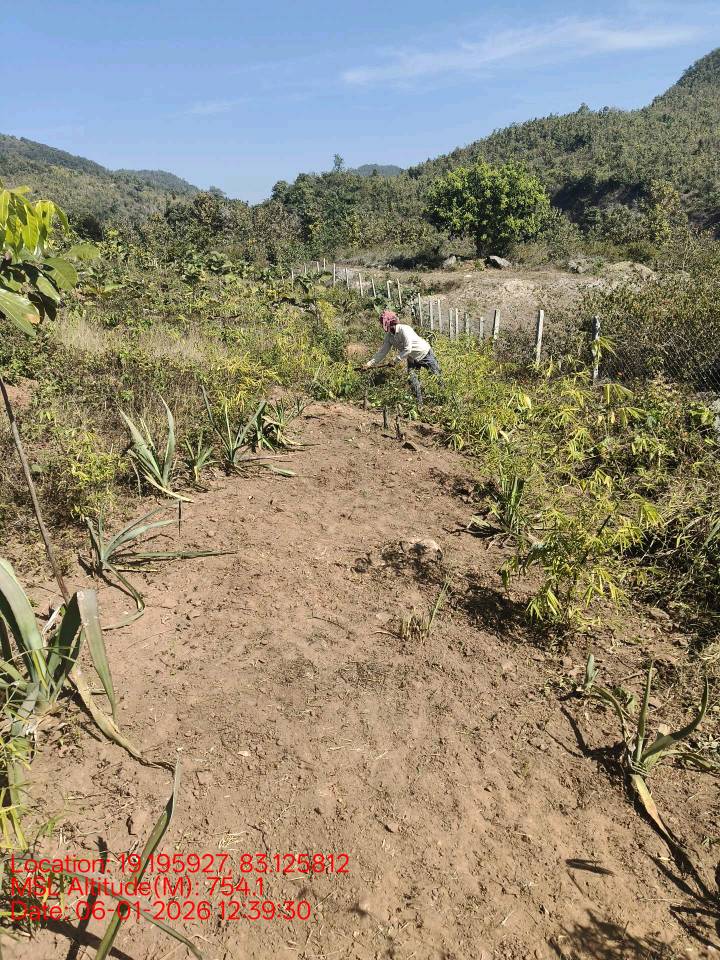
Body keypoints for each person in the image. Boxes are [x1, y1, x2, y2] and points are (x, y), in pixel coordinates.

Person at [364, 310, 441, 407]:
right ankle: (419, 405)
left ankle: (444, 401)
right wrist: (368, 364)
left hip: (425, 354)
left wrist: (395, 360)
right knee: (412, 380)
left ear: (389, 323)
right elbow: (382, 352)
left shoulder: (404, 329)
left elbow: (408, 349)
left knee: (437, 377)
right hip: (412, 359)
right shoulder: (389, 337)